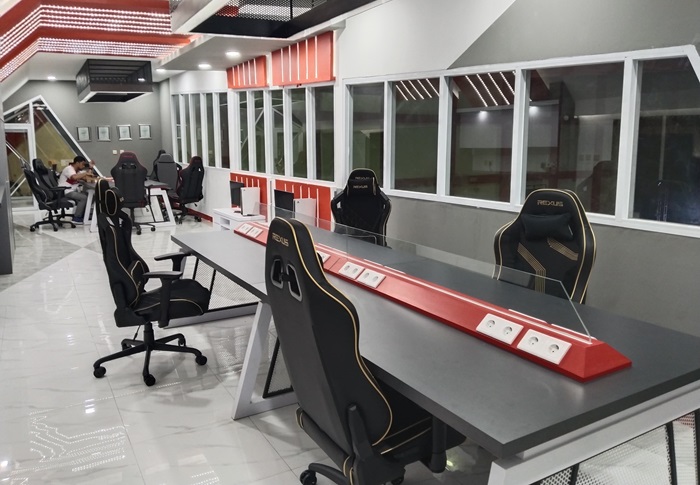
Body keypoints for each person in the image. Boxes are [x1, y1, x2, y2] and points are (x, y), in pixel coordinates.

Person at [58, 156, 93, 224]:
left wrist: (90, 168)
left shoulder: (77, 171)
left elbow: (86, 178)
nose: (83, 166)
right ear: (77, 163)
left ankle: (84, 215)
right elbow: (74, 177)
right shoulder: (69, 169)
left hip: (72, 190)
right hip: (66, 191)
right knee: (84, 197)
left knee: (90, 196)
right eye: (82, 164)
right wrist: (85, 173)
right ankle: (77, 218)